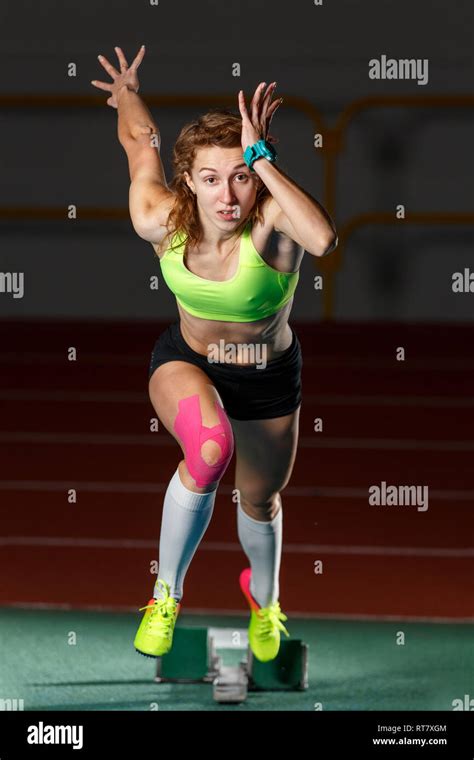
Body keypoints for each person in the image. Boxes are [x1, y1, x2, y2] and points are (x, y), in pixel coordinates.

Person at [92, 45, 337, 663]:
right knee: (208, 448)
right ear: (189, 183)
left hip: (267, 376)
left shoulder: (274, 223)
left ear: (257, 176)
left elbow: (325, 238)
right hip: (189, 363)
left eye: (240, 175)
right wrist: (126, 93)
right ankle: (165, 593)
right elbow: (141, 143)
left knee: (259, 499)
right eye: (209, 178)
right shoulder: (160, 220)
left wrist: (266, 161)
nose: (227, 194)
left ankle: (266, 598)